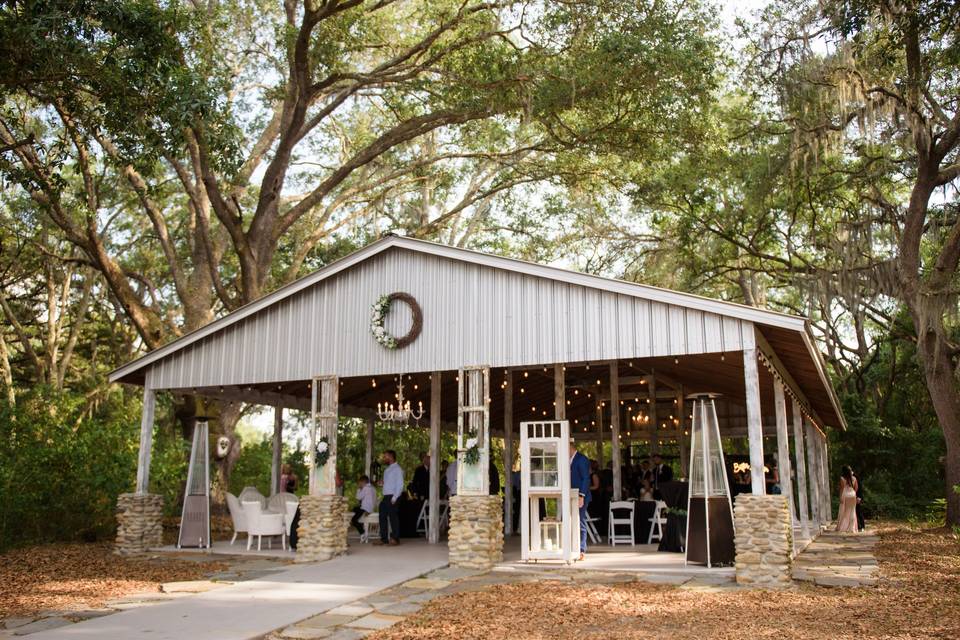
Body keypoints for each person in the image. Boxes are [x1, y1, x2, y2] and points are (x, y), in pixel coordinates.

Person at [569, 439, 592, 561]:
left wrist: (581, 495)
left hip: (580, 495)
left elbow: (586, 479)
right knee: (570, 521)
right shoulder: (568, 460)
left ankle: (582, 550)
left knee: (580, 521)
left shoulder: (582, 459)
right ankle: (572, 547)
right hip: (570, 495)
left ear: (570, 447)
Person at [376, 450, 404, 545]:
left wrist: (395, 497)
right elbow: (389, 483)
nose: (384, 458)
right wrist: (382, 483)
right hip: (385, 496)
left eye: (385, 456)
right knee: (382, 515)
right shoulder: (387, 470)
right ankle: (384, 538)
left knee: (393, 517)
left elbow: (400, 484)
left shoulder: (398, 469)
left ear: (391, 457)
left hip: (393, 496)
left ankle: (395, 539)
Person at [836, 465, 859, 533]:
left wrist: (840, 497)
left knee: (844, 512)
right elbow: (856, 488)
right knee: (852, 511)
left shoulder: (842, 478)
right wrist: (853, 493)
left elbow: (842, 488)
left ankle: (844, 527)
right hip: (852, 495)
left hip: (845, 495)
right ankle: (852, 527)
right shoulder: (854, 478)